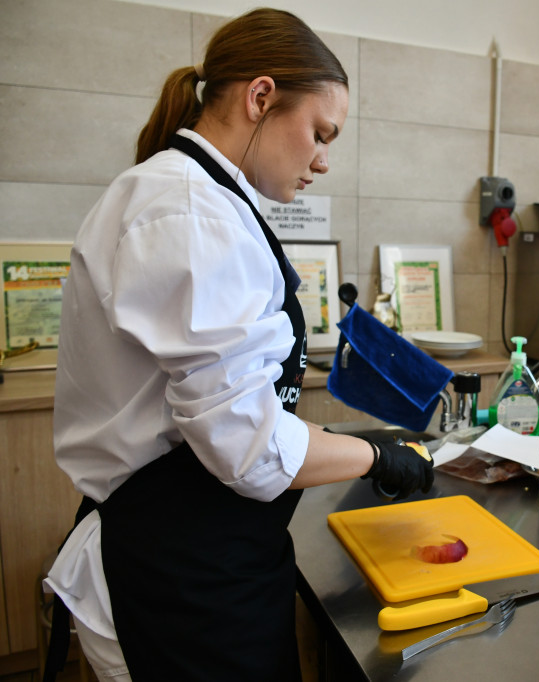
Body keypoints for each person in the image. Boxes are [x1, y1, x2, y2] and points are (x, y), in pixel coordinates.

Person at [43, 9, 434, 681]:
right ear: (260, 97)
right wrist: (375, 454)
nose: (322, 160)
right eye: (318, 132)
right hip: (170, 575)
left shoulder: (201, 200)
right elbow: (250, 450)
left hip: (202, 554)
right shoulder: (190, 212)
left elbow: (230, 408)